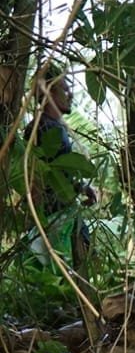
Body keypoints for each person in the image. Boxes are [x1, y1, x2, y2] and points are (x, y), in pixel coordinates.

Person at [24, 62, 96, 269]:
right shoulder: (42, 128)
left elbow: (57, 173)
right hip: (52, 216)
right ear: (50, 92)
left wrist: (79, 187)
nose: (70, 94)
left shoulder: (50, 126)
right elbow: (40, 176)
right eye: (65, 89)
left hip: (60, 213)